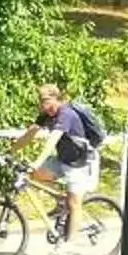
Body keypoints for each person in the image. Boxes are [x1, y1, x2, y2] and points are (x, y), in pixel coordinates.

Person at [19, 84, 106, 245]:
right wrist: (12, 150)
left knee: (74, 203)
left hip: (79, 163)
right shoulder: (47, 115)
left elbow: (53, 140)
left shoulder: (66, 114)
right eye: (40, 101)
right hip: (63, 160)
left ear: (55, 99)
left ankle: (69, 245)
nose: (42, 105)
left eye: (45, 101)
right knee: (34, 174)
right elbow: (30, 133)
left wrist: (36, 161)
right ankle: (60, 202)